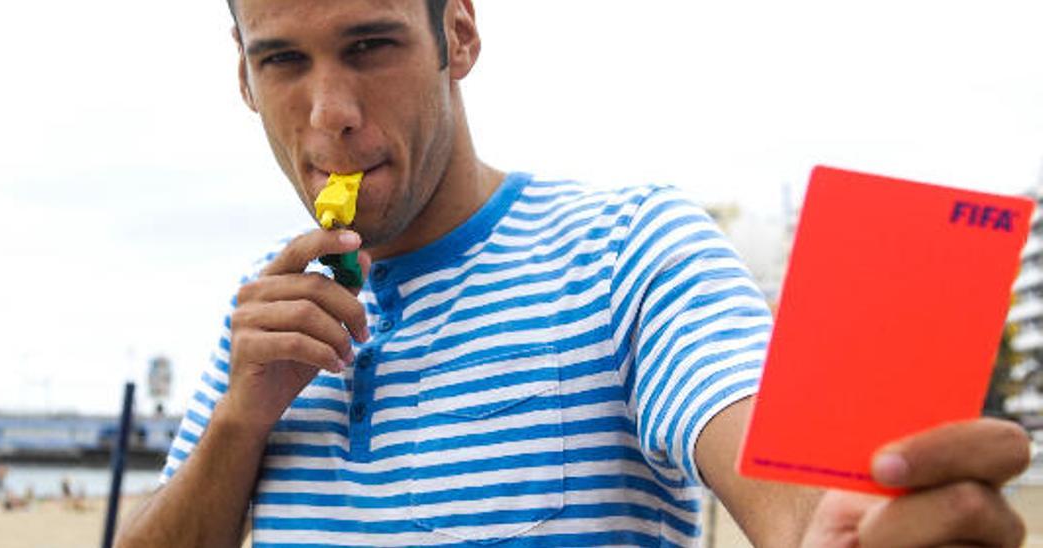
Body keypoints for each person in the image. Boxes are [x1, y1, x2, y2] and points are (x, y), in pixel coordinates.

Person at [117, 1, 1034, 546]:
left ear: (459, 38)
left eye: (372, 45)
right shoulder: (265, 317)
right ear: (244, 78)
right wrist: (240, 420)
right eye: (282, 60)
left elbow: (765, 461)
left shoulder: (628, 247)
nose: (331, 114)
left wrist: (835, 523)